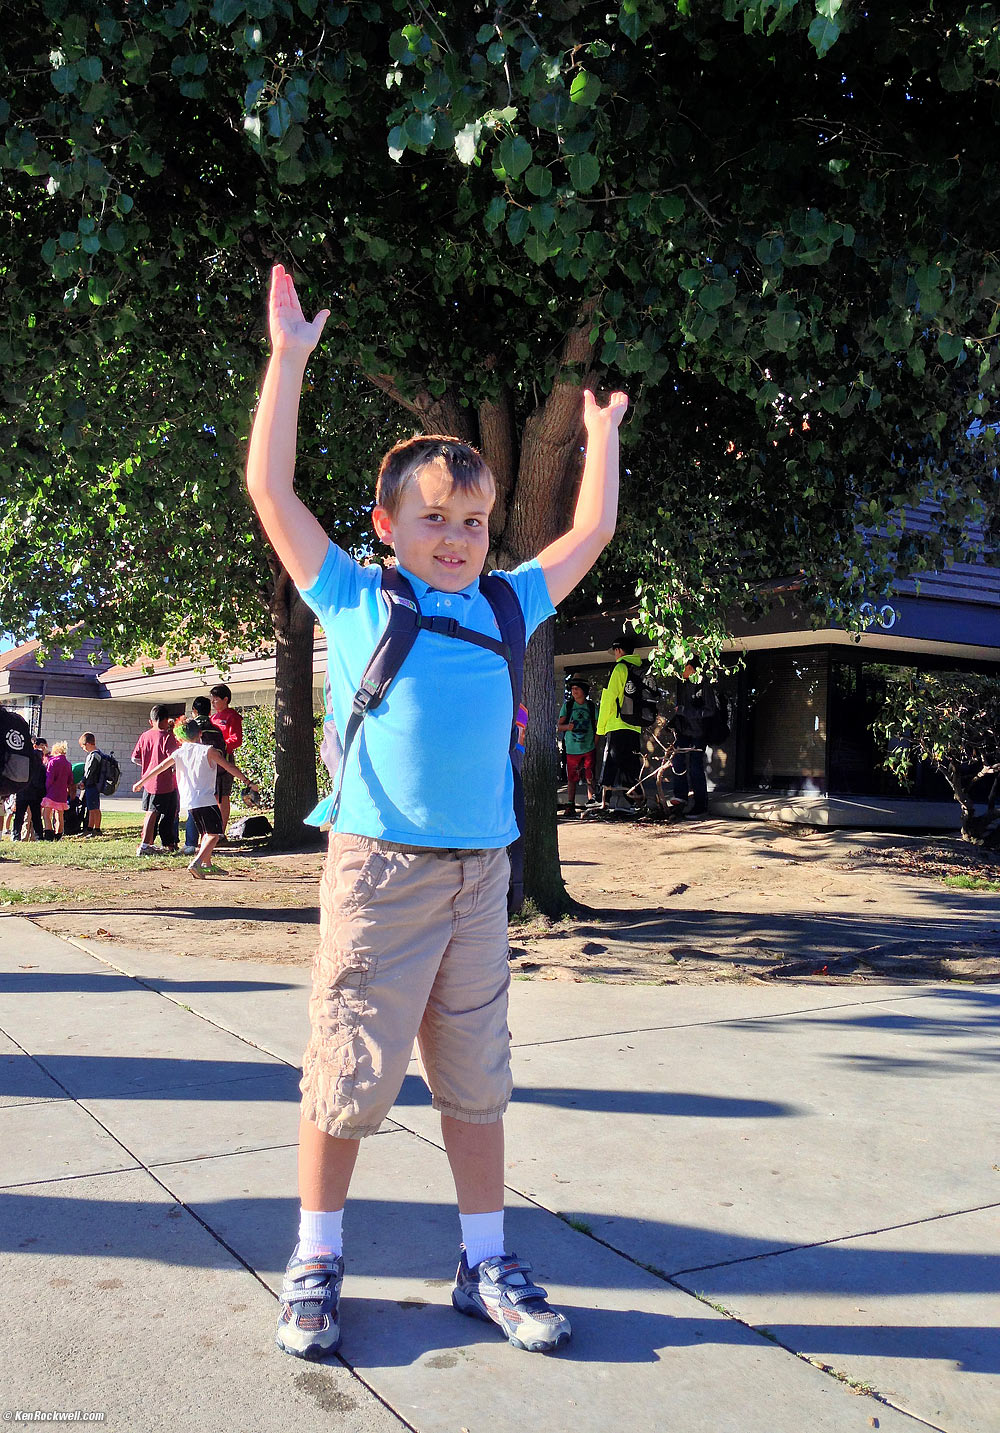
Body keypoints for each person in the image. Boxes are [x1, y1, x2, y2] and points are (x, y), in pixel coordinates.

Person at [246, 263, 627, 1361]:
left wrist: (599, 433)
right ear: (388, 523)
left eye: (473, 517)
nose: (456, 534)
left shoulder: (506, 600)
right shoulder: (361, 596)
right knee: (348, 1072)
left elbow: (589, 533)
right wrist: (290, 358)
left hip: (480, 877)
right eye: (433, 518)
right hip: (378, 870)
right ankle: (317, 1256)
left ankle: (484, 1260)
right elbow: (273, 493)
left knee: (475, 1080)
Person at [132, 720, 258, 878]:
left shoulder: (179, 752)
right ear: (200, 733)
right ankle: (197, 863)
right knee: (214, 834)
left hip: (189, 802)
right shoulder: (208, 751)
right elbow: (229, 767)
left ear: (180, 736)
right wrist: (248, 782)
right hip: (206, 799)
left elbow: (160, 767)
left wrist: (141, 782)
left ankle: (207, 864)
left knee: (206, 834)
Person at [593, 635, 643, 811]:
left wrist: (600, 729)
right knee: (630, 765)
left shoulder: (620, 668)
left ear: (618, 650)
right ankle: (632, 802)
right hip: (635, 726)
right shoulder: (638, 669)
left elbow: (608, 699)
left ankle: (601, 799)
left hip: (617, 724)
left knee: (611, 763)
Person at [670, 660, 721, 817]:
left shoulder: (703, 684)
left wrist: (686, 711)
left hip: (700, 732)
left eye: (682, 668)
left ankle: (700, 804)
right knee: (676, 758)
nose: (679, 672)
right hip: (684, 731)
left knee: (695, 766)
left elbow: (710, 710)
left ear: (690, 668)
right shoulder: (682, 683)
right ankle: (681, 796)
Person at [131, 706, 180, 855]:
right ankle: (145, 845)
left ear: (150, 721)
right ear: (166, 720)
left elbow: (135, 758)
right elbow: (174, 759)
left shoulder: (144, 736)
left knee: (169, 811)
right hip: (163, 782)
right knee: (154, 812)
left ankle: (168, 843)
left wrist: (148, 764)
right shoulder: (167, 737)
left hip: (148, 780)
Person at [182, 696, 227, 856]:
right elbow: (223, 753)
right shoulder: (217, 730)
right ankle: (207, 843)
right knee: (209, 811)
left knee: (193, 810)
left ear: (194, 711)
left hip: (194, 776)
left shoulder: (191, 729)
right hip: (214, 774)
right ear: (209, 711)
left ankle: (190, 843)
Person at [556, 680, 597, 813]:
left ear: (584, 691)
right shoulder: (567, 706)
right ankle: (570, 805)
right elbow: (559, 727)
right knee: (571, 778)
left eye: (577, 688)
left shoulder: (591, 707)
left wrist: (594, 744)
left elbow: (598, 728)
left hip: (588, 748)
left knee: (589, 776)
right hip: (572, 749)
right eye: (572, 688)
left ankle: (592, 803)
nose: (574, 691)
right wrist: (568, 727)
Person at [209, 683, 243, 837]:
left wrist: (221, 747)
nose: (213, 702)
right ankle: (212, 829)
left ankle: (220, 832)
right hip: (210, 761)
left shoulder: (232, 716)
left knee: (223, 796)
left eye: (216, 699)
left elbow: (236, 739)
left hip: (224, 760)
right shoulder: (213, 717)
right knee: (212, 795)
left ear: (225, 699)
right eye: (212, 699)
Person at [13, 740, 47, 842]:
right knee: (36, 817)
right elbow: (43, 781)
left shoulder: (23, 765)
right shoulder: (42, 767)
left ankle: (16, 836)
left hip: (22, 793)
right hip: (36, 795)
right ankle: (39, 837)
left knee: (19, 817)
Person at [41, 740, 74, 839]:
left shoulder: (53, 762)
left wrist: (45, 789)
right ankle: (58, 834)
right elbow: (70, 780)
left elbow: (49, 778)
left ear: (55, 751)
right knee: (59, 815)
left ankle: (48, 833)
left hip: (51, 792)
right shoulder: (68, 764)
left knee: (46, 814)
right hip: (62, 793)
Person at [77, 732, 104, 834]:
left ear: (87, 744)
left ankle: (96, 829)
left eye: (83, 746)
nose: (83, 749)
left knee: (94, 808)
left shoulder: (94, 756)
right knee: (92, 807)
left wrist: (83, 781)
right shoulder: (99, 754)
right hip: (94, 784)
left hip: (92, 784)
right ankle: (89, 828)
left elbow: (89, 771)